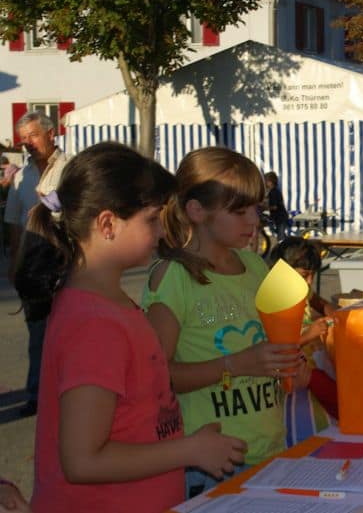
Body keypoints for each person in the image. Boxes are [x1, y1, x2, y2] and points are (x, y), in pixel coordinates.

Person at [13, 142, 245, 512]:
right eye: (151, 219)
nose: (162, 231)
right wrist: (190, 449)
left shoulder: (107, 306)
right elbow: (82, 460)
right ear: (107, 224)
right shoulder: (94, 325)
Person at [143, 147, 305, 498]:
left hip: (271, 452)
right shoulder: (174, 277)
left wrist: (292, 363)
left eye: (256, 209)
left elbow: (273, 352)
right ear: (196, 210)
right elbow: (155, 377)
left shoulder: (257, 268)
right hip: (212, 466)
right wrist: (236, 364)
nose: (253, 221)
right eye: (239, 211)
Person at [5, 111, 69, 417]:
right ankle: (36, 395)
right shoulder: (20, 176)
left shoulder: (71, 169)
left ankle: (68, 394)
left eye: (33, 135)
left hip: (64, 261)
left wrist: (48, 204)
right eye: (24, 138)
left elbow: (78, 210)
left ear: (51, 134)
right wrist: (14, 262)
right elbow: (14, 223)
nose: (28, 143)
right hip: (32, 266)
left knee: (69, 331)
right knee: (37, 334)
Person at [267, 237, 339, 445]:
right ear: (282, 272)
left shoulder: (299, 289)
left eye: (312, 275)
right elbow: (273, 349)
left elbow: (316, 300)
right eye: (305, 275)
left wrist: (332, 312)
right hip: (295, 376)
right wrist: (310, 334)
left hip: (309, 369)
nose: (309, 282)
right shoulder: (274, 299)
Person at [264, 171, 289, 241]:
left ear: (270, 182)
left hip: (280, 218)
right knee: (282, 235)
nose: (265, 183)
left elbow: (274, 207)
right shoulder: (275, 191)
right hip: (279, 217)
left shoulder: (273, 192)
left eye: (266, 181)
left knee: (281, 238)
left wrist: (264, 208)